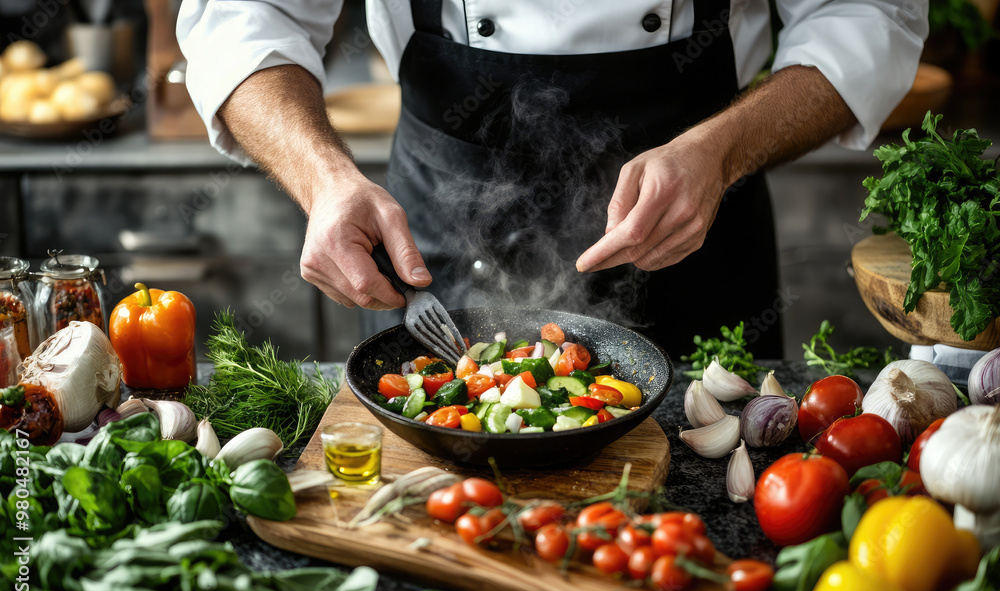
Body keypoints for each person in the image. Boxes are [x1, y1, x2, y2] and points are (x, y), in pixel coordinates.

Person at [177, 0, 927, 358]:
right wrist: (323, 179)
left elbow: (869, 14)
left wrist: (721, 151)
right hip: (438, 240)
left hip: (694, 235)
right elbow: (243, 17)